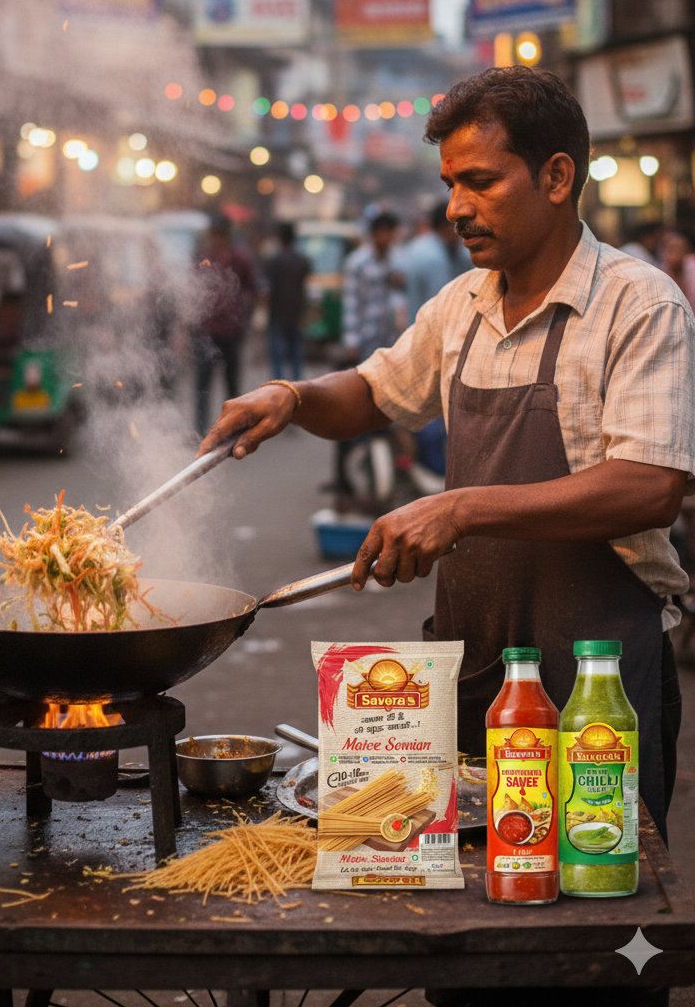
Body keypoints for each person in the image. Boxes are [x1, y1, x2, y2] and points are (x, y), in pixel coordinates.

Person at [200, 67, 692, 877]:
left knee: (593, 909)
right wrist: (291, 394)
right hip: (480, 670)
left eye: (481, 181)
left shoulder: (640, 306)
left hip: (593, 680)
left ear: (558, 176)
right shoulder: (461, 305)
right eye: (450, 184)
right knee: (470, 904)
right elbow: (370, 392)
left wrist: (459, 509)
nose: (457, 206)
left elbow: (648, 485)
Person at [396, 201, 471, 477]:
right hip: (434, 343)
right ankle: (437, 474)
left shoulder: (424, 248)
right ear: (446, 227)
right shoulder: (433, 258)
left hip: (419, 336)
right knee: (435, 416)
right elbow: (449, 307)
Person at [193, 215, 259, 436]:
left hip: (231, 330)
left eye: (219, 234)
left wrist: (245, 318)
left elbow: (253, 289)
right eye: (213, 234)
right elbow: (193, 289)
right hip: (206, 329)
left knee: (231, 380)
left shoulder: (240, 259)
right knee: (203, 382)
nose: (215, 239)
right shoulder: (203, 258)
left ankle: (235, 427)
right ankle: (200, 429)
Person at [341, 211, 401, 363]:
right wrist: (351, 340)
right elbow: (351, 302)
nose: (389, 238)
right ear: (375, 233)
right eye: (385, 232)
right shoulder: (358, 263)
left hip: (389, 337)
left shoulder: (395, 260)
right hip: (366, 337)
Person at [262, 222, 311, 381]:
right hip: (296, 312)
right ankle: (297, 388)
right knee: (296, 355)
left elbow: (266, 290)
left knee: (277, 357)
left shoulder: (273, 261)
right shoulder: (302, 261)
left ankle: (278, 387)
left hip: (277, 314)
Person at [659, 228, 695, 311]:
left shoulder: (692, 266)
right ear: (663, 251)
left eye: (680, 249)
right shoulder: (658, 274)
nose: (675, 254)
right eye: (671, 249)